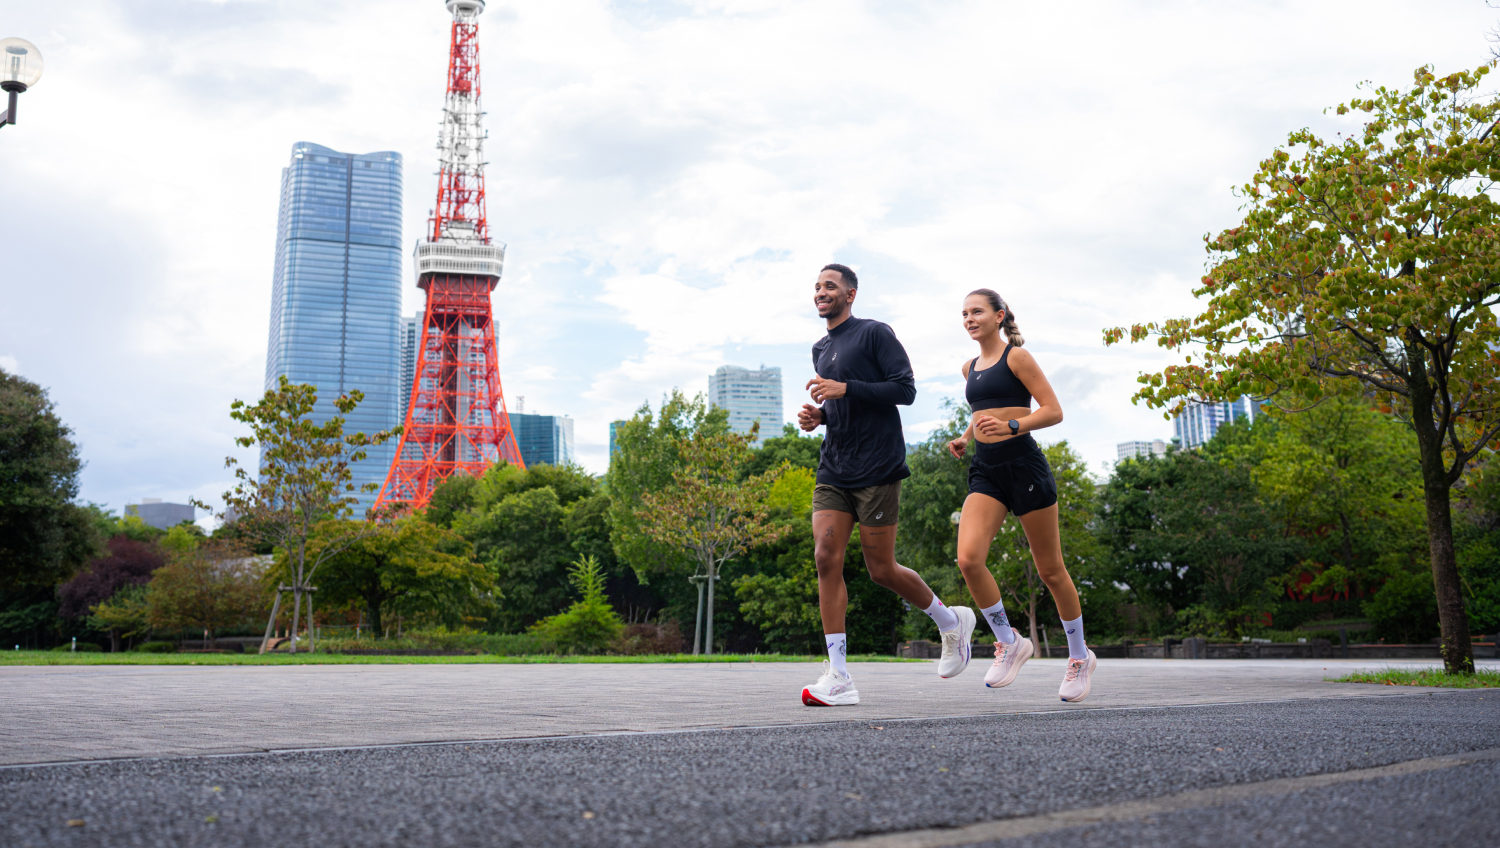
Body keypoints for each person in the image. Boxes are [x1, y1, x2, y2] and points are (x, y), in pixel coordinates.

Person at [797, 263, 975, 707]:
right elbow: (841, 403)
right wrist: (819, 416)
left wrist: (845, 389)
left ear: (850, 294)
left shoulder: (875, 333)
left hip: (877, 466)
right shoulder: (820, 347)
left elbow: (905, 390)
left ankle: (950, 621)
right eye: (817, 287)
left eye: (830, 286)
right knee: (824, 556)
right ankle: (838, 674)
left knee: (881, 570)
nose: (821, 292)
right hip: (834, 467)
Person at [945, 288, 1097, 702]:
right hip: (986, 471)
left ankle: (1081, 656)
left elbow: (1053, 410)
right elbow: (981, 415)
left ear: (1000, 315)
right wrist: (965, 437)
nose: (969, 319)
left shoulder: (1018, 357)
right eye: (964, 314)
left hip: (1024, 467)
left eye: (976, 311)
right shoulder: (969, 367)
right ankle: (1009, 642)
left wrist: (1013, 428)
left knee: (1050, 570)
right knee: (968, 559)